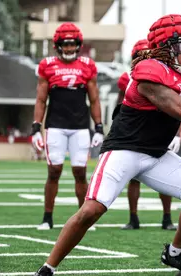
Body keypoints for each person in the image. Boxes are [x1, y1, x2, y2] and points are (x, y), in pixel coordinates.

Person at [27, 14, 181, 276]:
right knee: (91, 210)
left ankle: (175, 253)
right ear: (164, 47)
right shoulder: (148, 71)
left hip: (156, 154)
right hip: (124, 151)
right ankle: (48, 267)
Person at [30, 22, 104, 230]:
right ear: (58, 45)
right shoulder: (47, 65)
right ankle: (47, 217)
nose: (70, 48)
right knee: (54, 171)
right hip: (56, 126)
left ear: (78, 45)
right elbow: (41, 99)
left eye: (73, 44)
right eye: (66, 44)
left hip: (80, 127)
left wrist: (98, 126)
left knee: (80, 172)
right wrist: (36, 126)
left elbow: (95, 99)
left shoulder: (88, 66)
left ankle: (84, 217)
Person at [116, 39, 177, 231]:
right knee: (133, 178)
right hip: (134, 133)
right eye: (139, 56)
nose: (144, 59)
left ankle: (167, 217)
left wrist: (175, 132)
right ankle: (133, 217)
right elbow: (122, 105)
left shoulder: (164, 75)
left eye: (147, 55)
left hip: (157, 131)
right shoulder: (127, 78)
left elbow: (174, 104)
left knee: (166, 176)